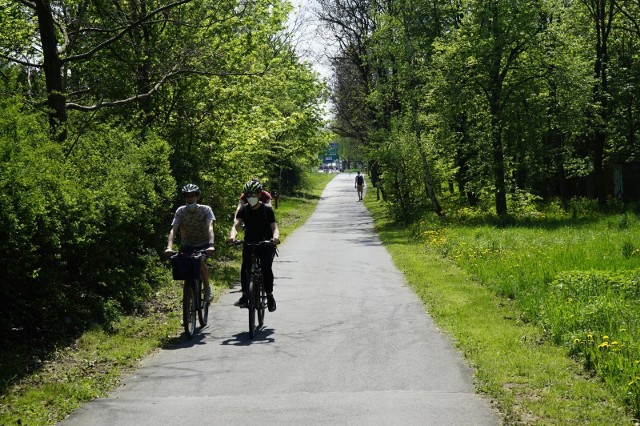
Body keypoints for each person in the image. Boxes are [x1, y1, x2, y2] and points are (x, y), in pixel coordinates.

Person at [228, 180, 280, 312]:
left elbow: (274, 227)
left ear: (259, 194)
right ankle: (245, 295)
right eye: (249, 194)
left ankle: (269, 295)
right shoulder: (244, 209)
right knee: (245, 267)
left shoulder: (267, 209)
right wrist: (233, 236)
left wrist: (275, 238)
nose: (252, 197)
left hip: (266, 243)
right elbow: (236, 225)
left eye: (254, 194)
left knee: (266, 268)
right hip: (249, 242)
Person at [165, 184, 216, 302]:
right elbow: (174, 230)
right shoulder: (181, 211)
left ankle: (207, 287)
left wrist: (211, 245)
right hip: (187, 245)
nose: (190, 199)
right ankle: (188, 306)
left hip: (203, 244)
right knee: (185, 268)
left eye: (192, 196)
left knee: (200, 262)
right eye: (187, 196)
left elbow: (210, 228)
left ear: (197, 197)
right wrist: (169, 247)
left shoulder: (205, 209)